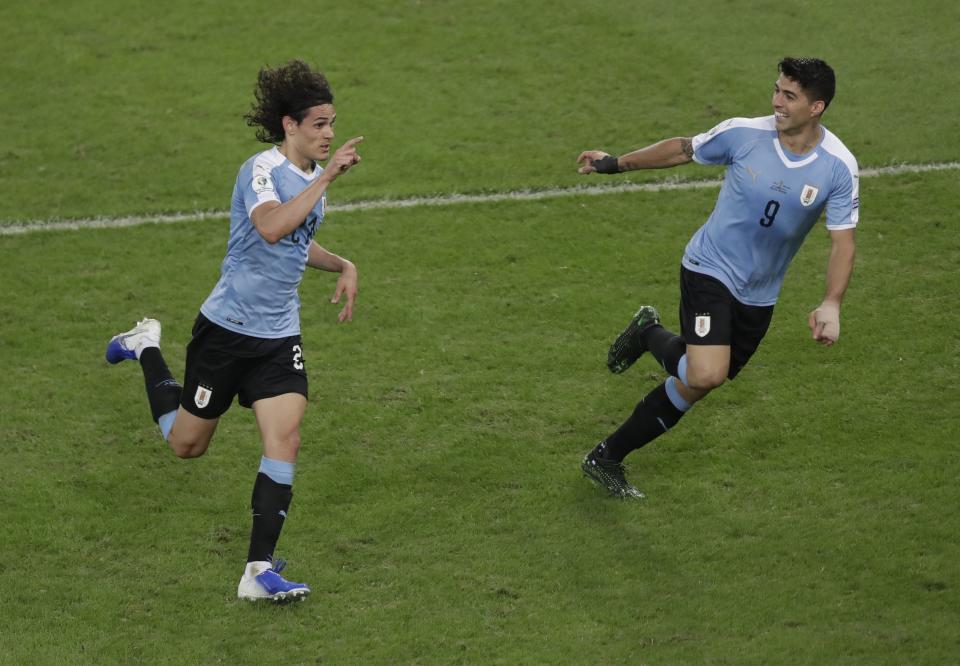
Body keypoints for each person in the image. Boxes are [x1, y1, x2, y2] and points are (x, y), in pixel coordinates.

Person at [105, 60, 363, 599]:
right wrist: (330, 179)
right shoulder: (261, 171)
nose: (329, 133)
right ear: (289, 125)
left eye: (332, 122)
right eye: (318, 124)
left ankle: (257, 572)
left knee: (285, 438)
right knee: (187, 445)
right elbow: (272, 226)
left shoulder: (314, 179)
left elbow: (297, 239)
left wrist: (342, 264)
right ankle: (145, 345)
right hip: (226, 331)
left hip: (278, 336)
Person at [576, 57, 858, 499]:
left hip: (759, 294)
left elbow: (843, 242)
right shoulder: (745, 133)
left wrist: (832, 302)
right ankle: (648, 336)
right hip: (709, 268)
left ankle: (606, 455)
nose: (776, 102)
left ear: (817, 106)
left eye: (789, 96)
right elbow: (683, 149)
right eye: (777, 90)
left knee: (696, 385)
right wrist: (614, 163)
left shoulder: (838, 166)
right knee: (706, 373)